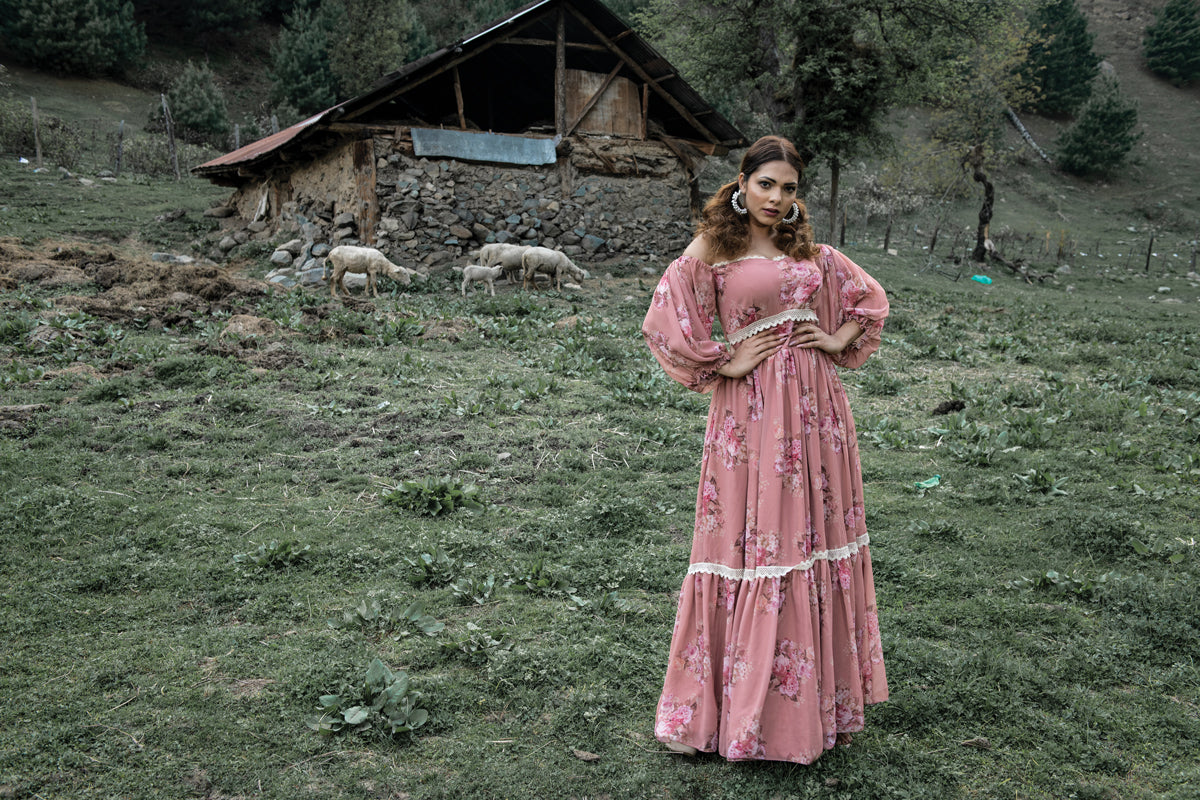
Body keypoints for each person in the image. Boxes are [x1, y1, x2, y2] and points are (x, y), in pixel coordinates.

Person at [642, 135, 889, 764]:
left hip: (818, 412)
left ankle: (807, 710)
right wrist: (724, 360)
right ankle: (733, 715)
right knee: (758, 543)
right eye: (766, 185)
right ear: (741, 184)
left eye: (788, 188)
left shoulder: (810, 251)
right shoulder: (715, 249)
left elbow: (869, 299)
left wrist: (834, 341)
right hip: (751, 415)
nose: (777, 199)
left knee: (809, 539)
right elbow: (665, 320)